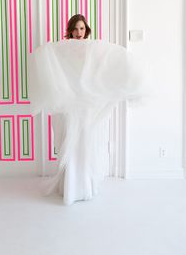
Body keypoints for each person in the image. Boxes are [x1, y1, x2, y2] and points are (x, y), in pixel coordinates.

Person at [28, 14, 145, 205]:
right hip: (70, 104)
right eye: (75, 29)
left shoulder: (94, 48)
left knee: (84, 142)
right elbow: (49, 60)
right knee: (70, 141)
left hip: (87, 104)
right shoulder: (63, 49)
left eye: (82, 28)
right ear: (70, 30)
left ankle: (84, 186)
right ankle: (70, 187)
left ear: (86, 29)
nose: (79, 32)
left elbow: (105, 65)